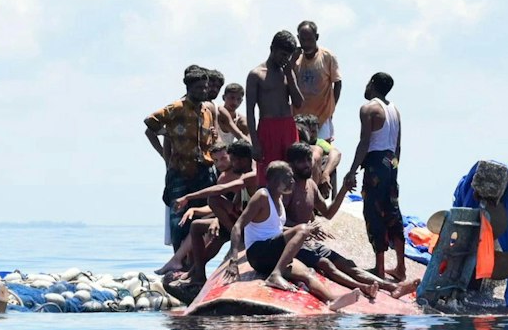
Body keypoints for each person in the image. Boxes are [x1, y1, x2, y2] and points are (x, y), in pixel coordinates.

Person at [230, 162, 364, 302]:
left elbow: (275, 229)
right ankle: (275, 275)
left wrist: (304, 233)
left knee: (308, 273)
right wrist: (233, 260)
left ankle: (332, 300)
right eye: (288, 178)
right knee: (302, 228)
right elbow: (237, 226)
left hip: (273, 255)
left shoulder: (279, 198)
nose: (292, 181)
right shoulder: (262, 196)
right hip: (258, 253)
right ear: (276, 179)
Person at [280, 142, 383, 296]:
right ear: (292, 165)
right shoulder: (288, 189)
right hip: (292, 245)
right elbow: (277, 226)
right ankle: (362, 287)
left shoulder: (311, 186)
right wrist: (305, 230)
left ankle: (392, 287)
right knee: (325, 264)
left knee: (347, 264)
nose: (307, 165)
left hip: (308, 243)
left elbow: (328, 213)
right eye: (301, 162)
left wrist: (343, 189)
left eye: (309, 160)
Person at [145, 64, 221, 254]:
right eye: (198, 88)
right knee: (179, 221)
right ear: (188, 88)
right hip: (180, 172)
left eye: (205, 87)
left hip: (204, 172)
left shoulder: (207, 111)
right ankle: (179, 265)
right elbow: (150, 127)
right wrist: (165, 153)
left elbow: (212, 138)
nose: (203, 91)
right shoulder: (175, 108)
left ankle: (194, 265)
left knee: (202, 218)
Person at [160, 138, 255, 290]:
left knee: (213, 199)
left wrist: (188, 197)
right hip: (237, 222)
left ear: (244, 160)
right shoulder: (236, 175)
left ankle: (233, 237)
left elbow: (219, 192)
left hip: (251, 225)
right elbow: (236, 204)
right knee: (197, 227)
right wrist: (218, 219)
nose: (229, 163)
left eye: (233, 160)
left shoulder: (252, 176)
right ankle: (198, 274)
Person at [346, 72, 406, 282]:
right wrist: (393, 167)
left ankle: (379, 269)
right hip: (391, 162)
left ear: (372, 84)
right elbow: (398, 145)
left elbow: (365, 142)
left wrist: (352, 170)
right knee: (393, 211)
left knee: (374, 211)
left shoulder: (369, 108)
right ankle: (400, 267)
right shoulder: (394, 110)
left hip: (375, 162)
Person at [245, 30, 304, 187]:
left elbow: (298, 103)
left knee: (292, 173)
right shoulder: (256, 74)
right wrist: (255, 142)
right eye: (282, 54)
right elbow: (250, 111)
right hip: (268, 128)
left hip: (288, 126)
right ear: (272, 48)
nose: (285, 59)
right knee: (268, 176)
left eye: (288, 56)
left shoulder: (288, 73)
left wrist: (290, 76)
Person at [292, 20, 343, 141]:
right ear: (298, 38)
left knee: (322, 153)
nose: (306, 44)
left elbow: (338, 83)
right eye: (303, 40)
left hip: (322, 117)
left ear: (317, 37)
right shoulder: (295, 59)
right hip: (299, 119)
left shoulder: (327, 57)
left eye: (310, 39)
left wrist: (331, 109)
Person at [294, 113, 342, 193]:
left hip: (318, 178)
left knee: (327, 160)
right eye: (310, 131)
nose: (312, 135)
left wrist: (326, 173)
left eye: (314, 131)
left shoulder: (319, 142)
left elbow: (336, 153)